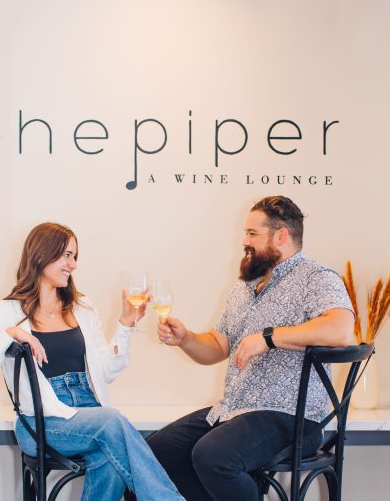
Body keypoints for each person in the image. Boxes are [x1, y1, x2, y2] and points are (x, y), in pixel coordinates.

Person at [148, 196, 355, 501]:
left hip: (291, 417)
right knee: (152, 455)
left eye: (252, 234)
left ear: (281, 236)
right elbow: (219, 345)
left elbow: (341, 330)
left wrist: (269, 337)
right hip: (233, 410)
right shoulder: (245, 286)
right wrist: (186, 339)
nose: (244, 241)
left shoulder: (317, 277)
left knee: (214, 457)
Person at [0, 222, 183, 501]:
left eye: (75, 256)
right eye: (67, 255)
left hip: (90, 413)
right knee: (112, 422)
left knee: (110, 458)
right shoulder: (3, 313)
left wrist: (126, 324)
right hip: (40, 422)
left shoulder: (83, 308)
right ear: (41, 255)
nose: (74, 265)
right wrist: (10, 334)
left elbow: (105, 372)